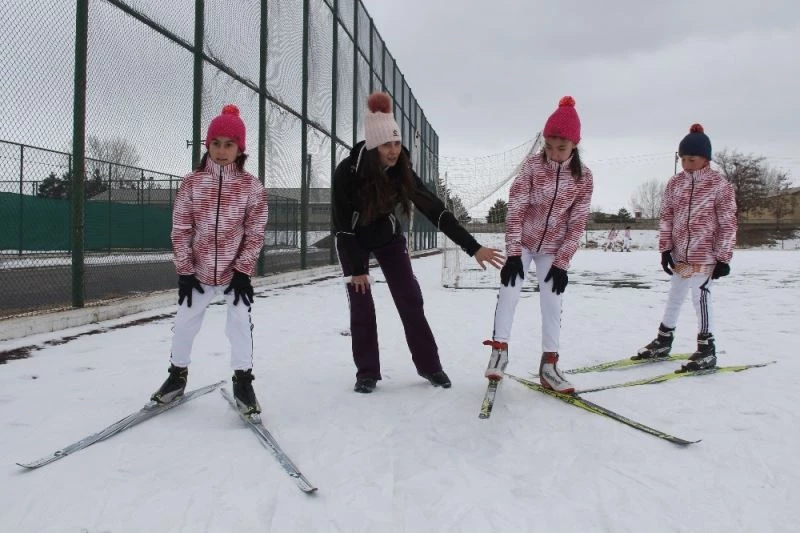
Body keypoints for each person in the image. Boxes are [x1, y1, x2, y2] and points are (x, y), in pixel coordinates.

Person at [332, 92, 504, 394]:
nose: (394, 150)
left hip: (387, 237)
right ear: (373, 146)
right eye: (387, 144)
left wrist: (472, 247)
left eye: (397, 143)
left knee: (410, 299)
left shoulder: (402, 172)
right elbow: (342, 226)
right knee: (362, 305)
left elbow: (436, 210)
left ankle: (430, 366)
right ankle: (367, 373)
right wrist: (358, 268)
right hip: (352, 240)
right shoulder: (347, 173)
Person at [151, 104, 268, 415]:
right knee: (185, 323)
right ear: (207, 145)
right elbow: (180, 229)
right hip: (199, 272)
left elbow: (255, 233)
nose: (221, 150)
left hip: (233, 274)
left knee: (240, 323)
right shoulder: (192, 183)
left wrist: (243, 272)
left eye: (229, 144)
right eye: (215, 143)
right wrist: (185, 271)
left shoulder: (251, 187)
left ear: (240, 148)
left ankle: (243, 380)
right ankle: (177, 377)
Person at [483, 96, 593, 394]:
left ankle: (549, 365)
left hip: (554, 249)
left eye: (562, 148)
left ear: (574, 146)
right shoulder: (532, 167)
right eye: (549, 146)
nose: (555, 153)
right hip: (526, 244)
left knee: (552, 301)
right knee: (509, 291)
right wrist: (514, 255)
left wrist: (562, 263)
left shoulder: (583, 178)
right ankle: (499, 351)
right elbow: (516, 209)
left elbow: (578, 222)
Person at [633, 124, 737, 372]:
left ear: (705, 158)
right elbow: (667, 216)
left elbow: (728, 222)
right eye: (682, 159)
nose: (686, 163)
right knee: (675, 296)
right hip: (681, 255)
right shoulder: (675, 184)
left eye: (692, 158)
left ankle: (707, 348)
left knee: (700, 296)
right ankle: (663, 340)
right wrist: (665, 248)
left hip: (706, 255)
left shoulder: (719, 185)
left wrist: (723, 257)